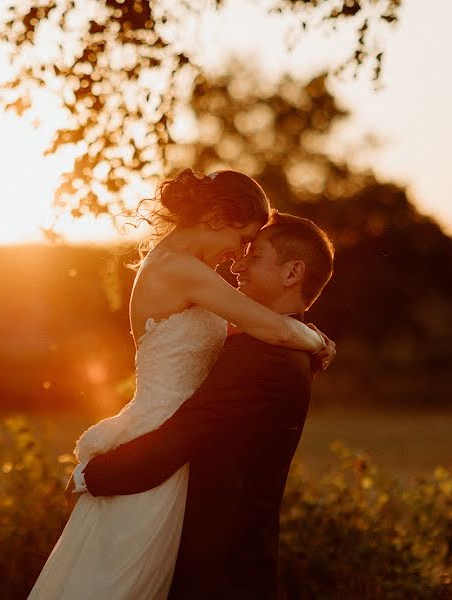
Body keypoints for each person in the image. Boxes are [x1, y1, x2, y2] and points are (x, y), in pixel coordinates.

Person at [27, 169, 334, 599]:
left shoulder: (191, 276)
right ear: (213, 217)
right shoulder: (179, 269)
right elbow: (275, 330)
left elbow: (246, 335)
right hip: (158, 443)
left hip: (171, 450)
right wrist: (317, 339)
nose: (238, 256)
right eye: (242, 238)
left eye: (251, 248)